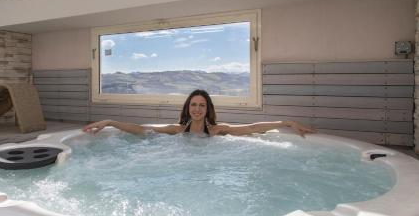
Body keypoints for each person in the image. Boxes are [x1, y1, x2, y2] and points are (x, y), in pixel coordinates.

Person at [82, 89, 316, 137]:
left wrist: (287, 122)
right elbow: (143, 130)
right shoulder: (178, 130)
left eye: (201, 105)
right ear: (187, 108)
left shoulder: (215, 130)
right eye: (193, 105)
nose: (196, 109)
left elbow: (253, 128)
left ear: (207, 110)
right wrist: (110, 121)